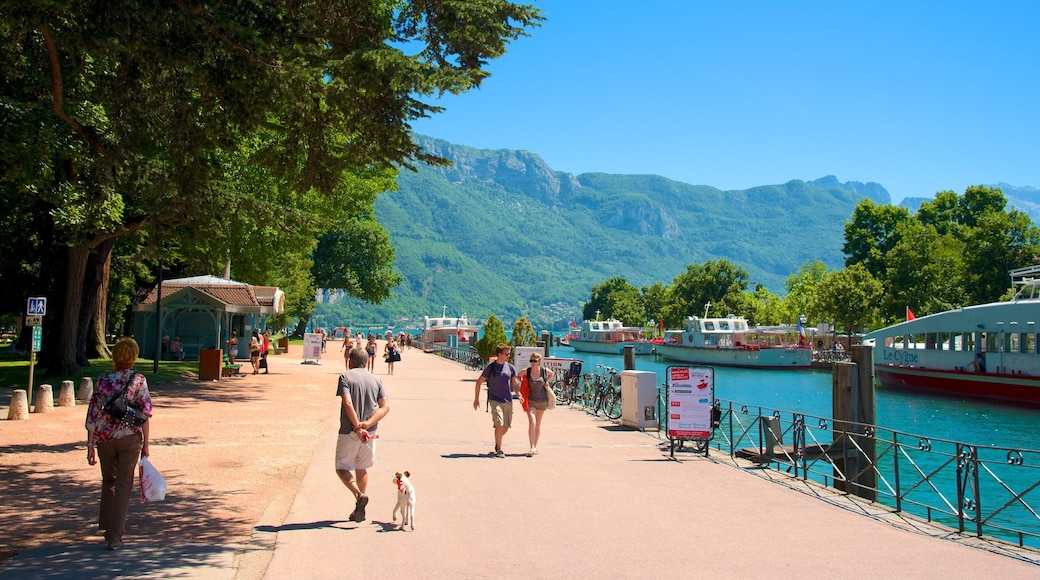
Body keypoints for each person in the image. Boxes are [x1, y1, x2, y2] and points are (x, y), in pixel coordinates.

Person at [85, 337, 152, 550]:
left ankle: (106, 527)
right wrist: (146, 445)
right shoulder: (138, 380)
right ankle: (115, 535)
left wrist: (90, 445)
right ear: (133, 357)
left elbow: (93, 413)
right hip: (130, 436)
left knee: (108, 481)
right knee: (124, 484)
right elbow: (145, 414)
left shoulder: (103, 380)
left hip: (105, 438)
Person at [336, 347, 390, 523]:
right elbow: (385, 407)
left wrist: (357, 426)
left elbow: (347, 402)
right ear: (366, 362)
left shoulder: (345, 377)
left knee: (342, 468)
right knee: (362, 468)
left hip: (349, 431)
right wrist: (368, 424)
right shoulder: (376, 379)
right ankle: (361, 501)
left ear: (351, 361)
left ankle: (359, 495)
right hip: (370, 433)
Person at [473, 343, 519, 458]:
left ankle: (497, 441)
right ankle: (499, 449)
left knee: (506, 427)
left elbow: (515, 384)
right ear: (499, 354)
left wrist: (519, 394)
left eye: (509, 354)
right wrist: (476, 399)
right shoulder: (491, 367)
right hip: (494, 400)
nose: (508, 356)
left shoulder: (511, 368)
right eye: (506, 354)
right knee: (499, 423)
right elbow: (479, 382)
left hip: (507, 400)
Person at [519, 352, 554, 457]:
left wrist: (548, 382)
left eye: (534, 361)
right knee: (532, 422)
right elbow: (517, 376)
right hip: (531, 401)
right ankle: (531, 447)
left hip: (542, 401)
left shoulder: (544, 371)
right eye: (531, 361)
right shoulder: (527, 371)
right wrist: (521, 386)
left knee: (538, 425)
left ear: (539, 362)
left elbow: (552, 374)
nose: (532, 363)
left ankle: (535, 447)